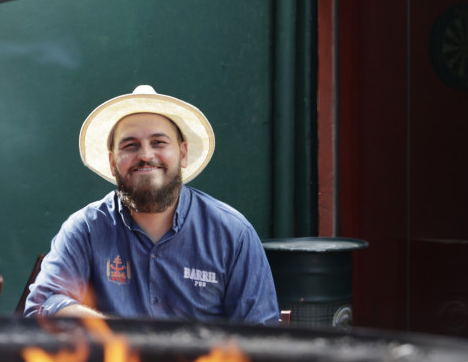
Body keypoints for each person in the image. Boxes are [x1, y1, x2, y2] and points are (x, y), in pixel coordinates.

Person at [24, 85, 279, 324]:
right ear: (113, 162)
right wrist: (116, 335)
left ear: (183, 153)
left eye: (158, 142)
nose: (145, 155)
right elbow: (41, 306)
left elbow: (262, 338)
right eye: (130, 145)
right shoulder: (86, 229)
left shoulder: (233, 235)